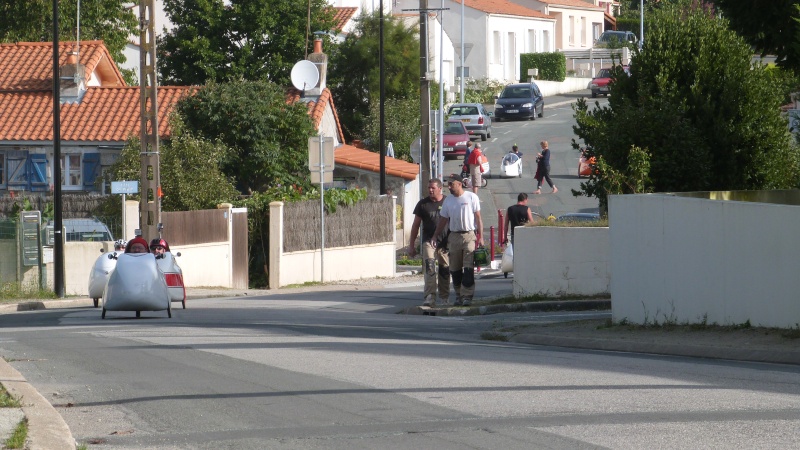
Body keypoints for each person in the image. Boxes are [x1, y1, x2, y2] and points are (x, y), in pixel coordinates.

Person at [430, 174, 483, 306]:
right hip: (454, 236)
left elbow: (478, 218)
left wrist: (480, 236)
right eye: (448, 184)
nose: (449, 187)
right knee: (455, 269)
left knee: (468, 266)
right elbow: (443, 220)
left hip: (468, 235)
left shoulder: (471, 197)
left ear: (459, 184)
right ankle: (459, 294)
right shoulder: (448, 201)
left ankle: (467, 295)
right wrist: (435, 235)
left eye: (451, 184)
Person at [408, 179, 450, 307]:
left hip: (445, 242)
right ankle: (430, 296)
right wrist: (411, 245)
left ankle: (444, 297)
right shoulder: (423, 204)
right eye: (429, 188)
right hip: (428, 241)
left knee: (444, 269)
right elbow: (415, 226)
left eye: (433, 188)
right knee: (430, 266)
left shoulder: (447, 202)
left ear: (440, 188)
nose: (430, 190)